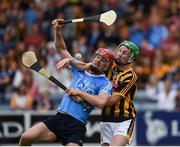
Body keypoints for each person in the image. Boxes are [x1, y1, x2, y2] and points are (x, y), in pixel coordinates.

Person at [52, 18, 139, 146]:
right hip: (105, 119)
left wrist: (82, 97)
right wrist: (71, 61)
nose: (120, 54)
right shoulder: (109, 64)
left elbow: (110, 100)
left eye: (124, 53)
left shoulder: (130, 76)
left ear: (131, 58)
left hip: (123, 119)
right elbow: (86, 65)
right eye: (120, 50)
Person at [19, 47, 114, 146]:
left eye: (103, 60)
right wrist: (58, 32)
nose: (99, 60)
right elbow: (62, 49)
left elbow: (101, 102)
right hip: (59, 118)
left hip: (76, 125)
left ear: (107, 65)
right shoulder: (80, 69)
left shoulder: (105, 83)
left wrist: (79, 93)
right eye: (98, 57)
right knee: (25, 137)